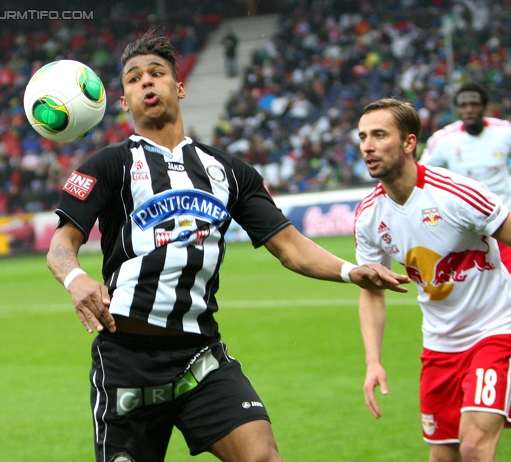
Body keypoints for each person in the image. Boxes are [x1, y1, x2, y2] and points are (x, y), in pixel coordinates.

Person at [46, 30, 409, 462]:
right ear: (123, 100)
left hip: (200, 355)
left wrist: (351, 271)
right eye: (134, 78)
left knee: (262, 457)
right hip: (127, 360)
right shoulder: (109, 165)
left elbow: (290, 246)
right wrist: (76, 277)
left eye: (157, 73)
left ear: (178, 87)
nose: (146, 82)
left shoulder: (228, 171)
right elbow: (60, 245)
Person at [353, 98, 511, 462]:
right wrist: (372, 361)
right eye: (363, 136)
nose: (367, 146)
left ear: (409, 143)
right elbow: (372, 293)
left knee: (473, 449)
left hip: (495, 331)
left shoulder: (456, 193)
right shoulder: (368, 216)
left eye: (379, 135)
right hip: (439, 345)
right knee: (443, 456)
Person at [420, 82, 511, 393]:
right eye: (463, 105)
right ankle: (474, 358)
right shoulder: (443, 140)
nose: (469, 110)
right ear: (457, 109)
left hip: (503, 223)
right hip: (463, 233)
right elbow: (422, 177)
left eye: (474, 104)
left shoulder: (504, 131)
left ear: (484, 106)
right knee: (465, 299)